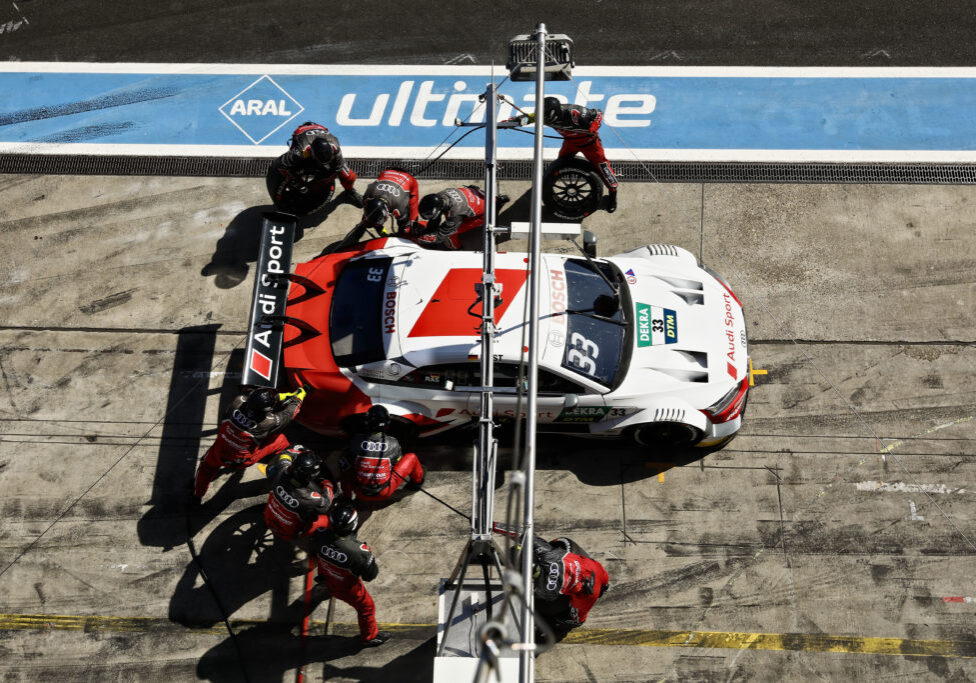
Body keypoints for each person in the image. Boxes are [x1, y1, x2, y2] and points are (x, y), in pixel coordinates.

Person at [192, 386, 306, 499]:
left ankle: (197, 495)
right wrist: (298, 399)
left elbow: (249, 393)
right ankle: (280, 469)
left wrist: (276, 397)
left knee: (206, 468)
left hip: (219, 451)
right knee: (281, 440)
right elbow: (288, 415)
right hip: (243, 461)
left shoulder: (237, 402)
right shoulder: (267, 423)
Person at [515, 97, 619, 213]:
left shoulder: (576, 113)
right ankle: (552, 183)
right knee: (560, 164)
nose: (543, 120)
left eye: (546, 118)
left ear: (555, 114)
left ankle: (613, 194)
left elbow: (599, 113)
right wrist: (510, 122)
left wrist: (594, 126)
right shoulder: (542, 114)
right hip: (570, 142)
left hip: (591, 145)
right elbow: (527, 118)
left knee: (603, 168)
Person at [309, 501, 391, 646]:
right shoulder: (359, 551)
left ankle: (325, 589)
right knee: (366, 607)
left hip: (326, 577)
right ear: (353, 525)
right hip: (346, 588)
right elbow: (370, 576)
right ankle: (369, 637)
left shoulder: (319, 534)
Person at [335, 405, 424, 503]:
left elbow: (348, 465)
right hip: (385, 492)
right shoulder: (393, 442)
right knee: (411, 457)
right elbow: (397, 462)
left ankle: (347, 497)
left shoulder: (356, 441)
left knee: (344, 461)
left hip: (360, 492)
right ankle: (416, 484)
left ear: (367, 423)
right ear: (387, 425)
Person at [268, 121, 363, 210]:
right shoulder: (301, 151)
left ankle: (350, 191)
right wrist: (296, 180)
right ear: (311, 153)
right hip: (301, 134)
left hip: (321, 131)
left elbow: (337, 169)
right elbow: (282, 166)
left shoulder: (336, 148)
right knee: (291, 165)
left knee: (349, 177)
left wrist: (322, 182)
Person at [531, 536, 609, 639]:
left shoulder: (588, 593)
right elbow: (577, 620)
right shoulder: (587, 596)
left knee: (558, 616)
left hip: (562, 553)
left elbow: (576, 621)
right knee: (554, 614)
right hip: (563, 554)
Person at [263, 445, 334, 543]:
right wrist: (328, 486)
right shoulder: (310, 499)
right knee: (329, 521)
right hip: (288, 534)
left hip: (268, 517)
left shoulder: (281, 470)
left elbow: (285, 454)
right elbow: (326, 504)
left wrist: (301, 455)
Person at [416, 186, 509, 250]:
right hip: (483, 197)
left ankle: (455, 248)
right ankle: (498, 201)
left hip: (485, 213)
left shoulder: (455, 213)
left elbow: (443, 234)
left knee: (450, 234)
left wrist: (423, 238)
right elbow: (435, 217)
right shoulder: (441, 195)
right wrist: (430, 228)